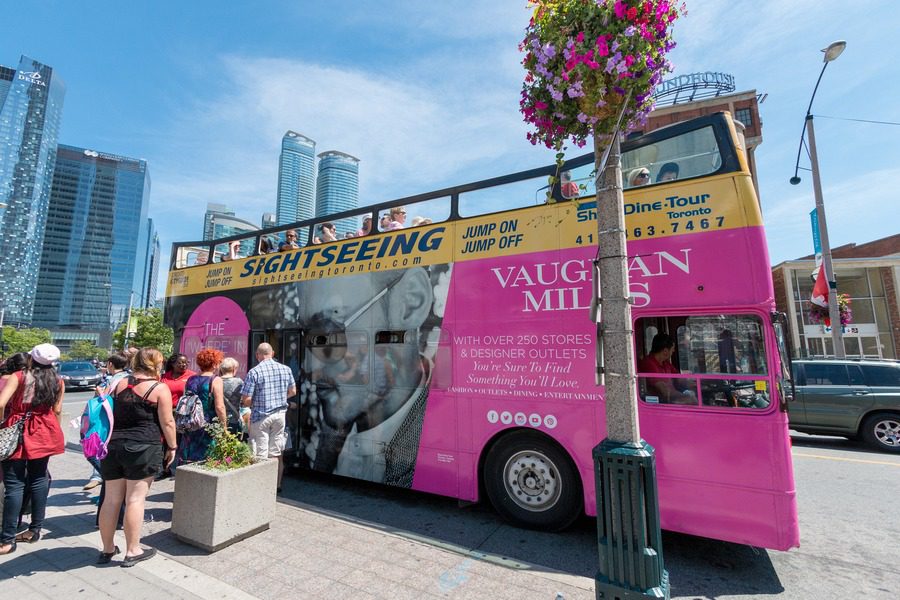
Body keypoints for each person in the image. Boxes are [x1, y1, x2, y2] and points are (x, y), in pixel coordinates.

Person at [288, 266, 445, 487]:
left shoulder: (441, 430)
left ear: (410, 303)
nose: (310, 367)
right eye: (307, 339)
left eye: (328, 336)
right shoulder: (330, 430)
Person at [98, 348, 176, 567]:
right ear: (156, 364)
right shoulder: (159, 388)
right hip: (143, 446)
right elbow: (168, 422)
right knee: (135, 499)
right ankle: (133, 550)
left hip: (113, 446)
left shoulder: (118, 383)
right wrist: (172, 446)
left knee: (111, 499)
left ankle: (107, 548)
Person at [0, 344, 65, 555]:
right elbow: (57, 409)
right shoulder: (57, 380)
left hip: (18, 429)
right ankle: (35, 529)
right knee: (39, 479)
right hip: (44, 429)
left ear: (31, 358)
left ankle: (8, 539)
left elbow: (1, 403)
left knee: (14, 484)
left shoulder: (19, 376)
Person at [241, 343, 297, 491]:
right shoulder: (286, 369)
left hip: (261, 416)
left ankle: (261, 488)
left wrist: (261, 401)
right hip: (280, 416)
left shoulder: (254, 372)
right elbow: (293, 391)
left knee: (260, 453)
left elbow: (246, 400)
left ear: (257, 355)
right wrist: (279, 399)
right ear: (272, 353)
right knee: (276, 453)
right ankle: (275, 485)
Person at [84, 352, 130, 491]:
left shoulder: (112, 380)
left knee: (96, 452)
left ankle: (106, 480)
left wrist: (100, 394)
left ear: (110, 364)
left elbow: (104, 400)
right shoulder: (130, 377)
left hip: (108, 421)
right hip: (124, 419)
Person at [176, 348, 226, 465]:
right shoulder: (215, 380)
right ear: (214, 364)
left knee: (189, 455)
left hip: (191, 422)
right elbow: (219, 407)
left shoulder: (190, 379)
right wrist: (224, 426)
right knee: (207, 458)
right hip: (208, 423)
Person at [638, 333, 696, 405]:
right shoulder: (648, 364)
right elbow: (664, 391)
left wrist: (696, 385)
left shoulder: (665, 363)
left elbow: (679, 379)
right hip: (660, 402)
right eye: (672, 349)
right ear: (665, 351)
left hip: (671, 398)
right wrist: (685, 397)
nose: (673, 351)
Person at [218, 357, 246, 438]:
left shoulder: (216, 381)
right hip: (234, 419)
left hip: (218, 419)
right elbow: (244, 400)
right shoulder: (239, 382)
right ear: (234, 369)